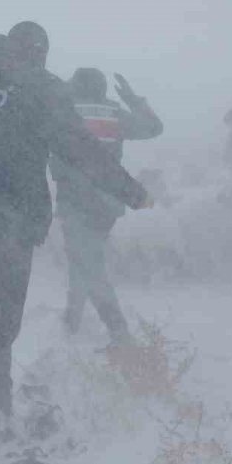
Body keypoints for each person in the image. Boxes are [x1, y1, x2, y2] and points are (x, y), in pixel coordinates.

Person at [0, 22, 153, 444]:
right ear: (38, 52)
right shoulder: (43, 89)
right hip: (14, 223)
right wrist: (130, 191)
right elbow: (82, 150)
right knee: (3, 321)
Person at [50, 68, 163, 343]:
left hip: (74, 201)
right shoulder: (113, 113)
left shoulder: (65, 111)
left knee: (88, 264)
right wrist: (133, 100)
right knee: (84, 257)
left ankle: (119, 333)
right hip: (108, 202)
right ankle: (72, 317)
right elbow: (154, 128)